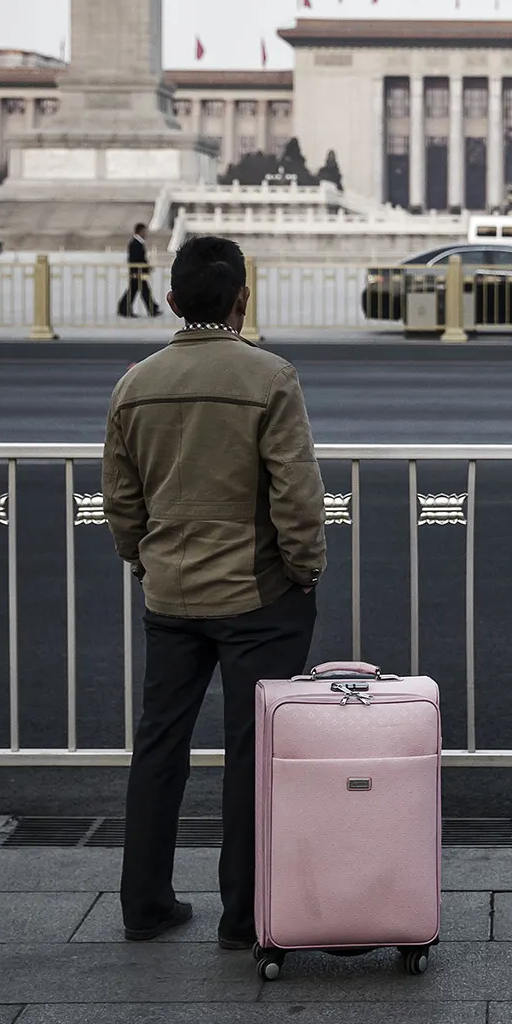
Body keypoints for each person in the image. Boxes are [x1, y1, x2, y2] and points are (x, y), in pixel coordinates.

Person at [106, 234, 326, 945]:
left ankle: (145, 905)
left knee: (159, 744)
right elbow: (296, 492)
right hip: (256, 595)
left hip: (170, 594)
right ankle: (244, 916)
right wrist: (303, 569)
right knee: (252, 751)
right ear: (242, 299)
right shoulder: (270, 376)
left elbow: (122, 500)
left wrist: (145, 562)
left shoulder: (135, 384)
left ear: (171, 300)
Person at [118, 223, 160, 317]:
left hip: (138, 272)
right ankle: (152, 309)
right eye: (145, 231)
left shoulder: (138, 243)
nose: (146, 233)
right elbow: (137, 259)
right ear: (140, 231)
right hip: (137, 272)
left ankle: (123, 308)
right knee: (143, 291)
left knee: (135, 291)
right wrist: (145, 267)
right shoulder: (135, 244)